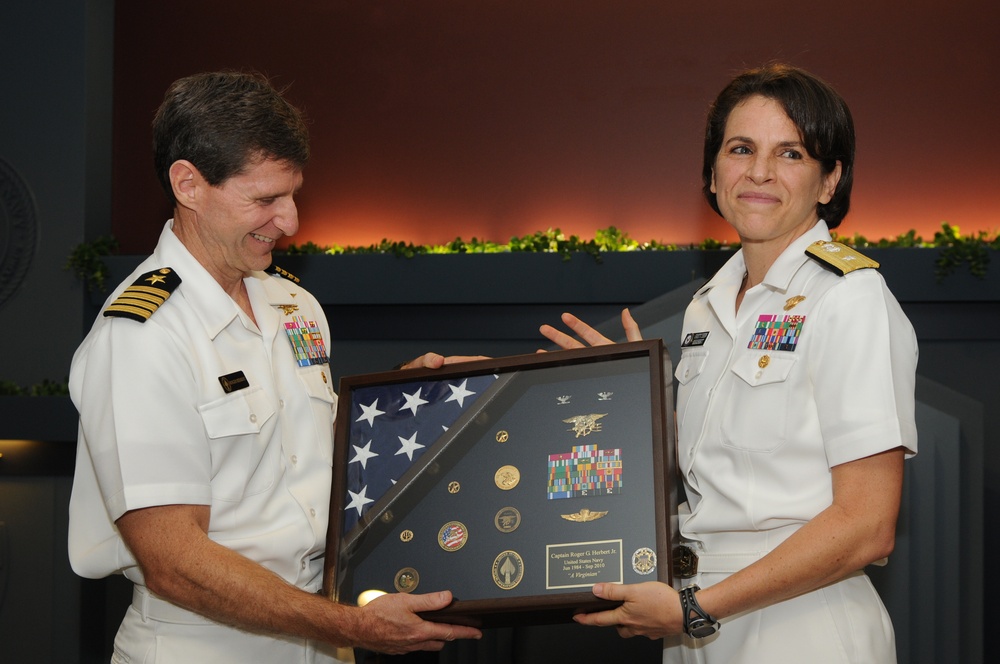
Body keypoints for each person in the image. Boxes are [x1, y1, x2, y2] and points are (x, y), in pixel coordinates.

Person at [67, 71, 481, 663]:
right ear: (188, 184)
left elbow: (304, 458)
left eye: (292, 195)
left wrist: (401, 398)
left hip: (318, 634)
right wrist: (348, 625)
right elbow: (174, 563)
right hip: (204, 646)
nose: (289, 222)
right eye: (264, 199)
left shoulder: (293, 304)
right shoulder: (142, 336)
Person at [540, 63, 918, 663]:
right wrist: (609, 399)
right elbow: (701, 485)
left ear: (830, 180)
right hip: (694, 617)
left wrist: (700, 607)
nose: (760, 171)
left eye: (791, 154)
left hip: (799, 623)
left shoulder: (850, 298)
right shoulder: (707, 308)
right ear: (713, 174)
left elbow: (867, 525)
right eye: (741, 149)